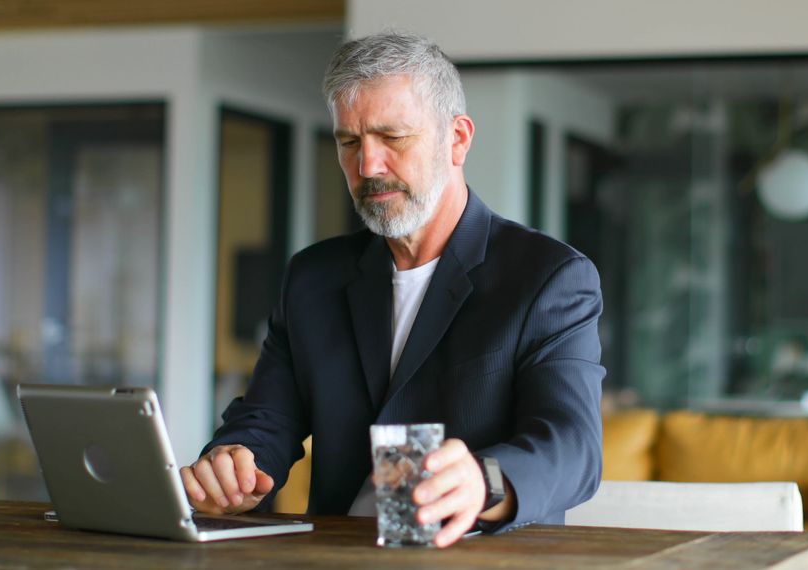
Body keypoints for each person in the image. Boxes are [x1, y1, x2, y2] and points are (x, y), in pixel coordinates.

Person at [181, 30, 605, 548]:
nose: (367, 166)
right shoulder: (313, 277)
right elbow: (267, 419)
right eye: (349, 142)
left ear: (457, 139)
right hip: (336, 556)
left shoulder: (549, 277)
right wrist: (235, 462)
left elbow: (573, 446)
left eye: (393, 138)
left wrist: (484, 480)